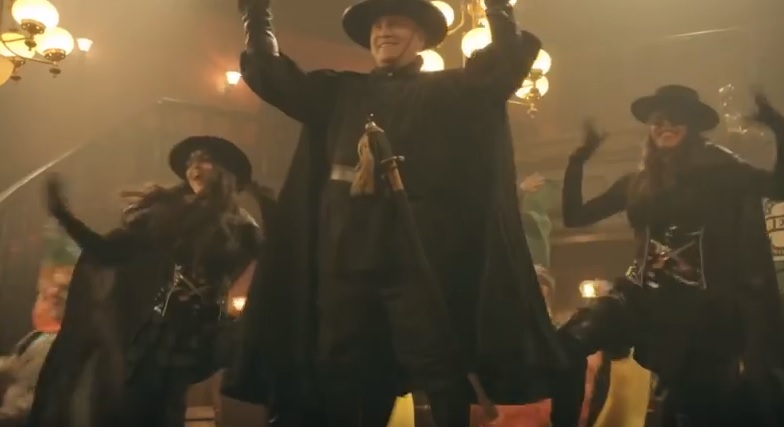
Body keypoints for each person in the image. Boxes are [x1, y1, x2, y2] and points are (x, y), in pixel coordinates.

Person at [223, 0, 564, 426]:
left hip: (418, 264)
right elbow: (271, 75)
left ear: (421, 37)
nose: (383, 31)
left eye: (396, 24)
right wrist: (256, 14)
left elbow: (506, 62)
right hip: (344, 263)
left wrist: (497, 8)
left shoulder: (448, 91)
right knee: (343, 374)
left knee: (441, 369)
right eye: (377, 26)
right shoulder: (340, 92)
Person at [551, 85, 784, 426]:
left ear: (692, 126)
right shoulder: (638, 182)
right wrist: (578, 159)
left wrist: (778, 126)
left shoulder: (721, 171)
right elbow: (575, 216)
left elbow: (777, 187)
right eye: (657, 120)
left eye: (675, 118)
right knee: (563, 347)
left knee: (696, 410)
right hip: (640, 298)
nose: (665, 125)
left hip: (701, 311)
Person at [28, 136, 271, 427]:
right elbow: (110, 252)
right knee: (136, 407)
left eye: (203, 159)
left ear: (224, 171)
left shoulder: (243, 228)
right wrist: (65, 216)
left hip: (202, 333)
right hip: (159, 331)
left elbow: (277, 257)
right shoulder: (173, 217)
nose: (194, 166)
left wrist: (267, 203)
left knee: (160, 408)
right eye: (190, 161)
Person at [0, 282, 68, 427]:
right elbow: (14, 364)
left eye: (41, 298)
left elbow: (26, 402)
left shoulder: (48, 343)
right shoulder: (42, 337)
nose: (35, 306)